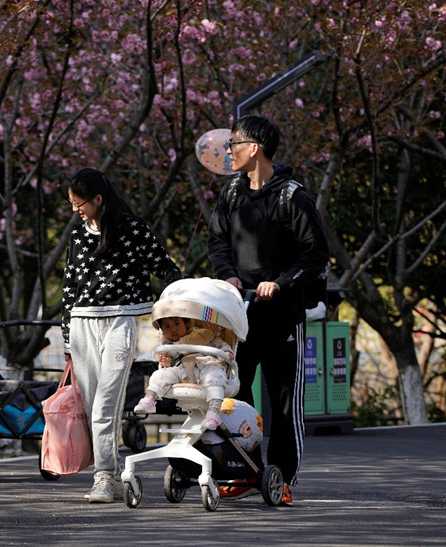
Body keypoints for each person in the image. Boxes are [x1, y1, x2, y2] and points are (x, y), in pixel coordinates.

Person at [207, 114, 330, 507]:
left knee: (283, 402)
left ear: (255, 147)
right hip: (239, 316)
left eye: (234, 144)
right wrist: (227, 276)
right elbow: (217, 242)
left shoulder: (292, 196)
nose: (229, 151)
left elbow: (316, 255)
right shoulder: (230, 194)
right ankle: (244, 470)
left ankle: (281, 476)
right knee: (235, 397)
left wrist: (281, 281)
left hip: (282, 318)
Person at [61, 168, 183, 503]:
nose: (75, 210)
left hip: (120, 323)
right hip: (82, 324)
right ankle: (111, 478)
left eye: (79, 203)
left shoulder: (134, 229)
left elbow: (162, 264)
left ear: (98, 199)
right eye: (71, 203)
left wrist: (185, 288)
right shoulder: (77, 237)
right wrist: (67, 341)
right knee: (91, 409)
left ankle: (102, 478)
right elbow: (68, 290)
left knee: (104, 406)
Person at [133, 316, 234, 429]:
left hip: (206, 366)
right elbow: (169, 366)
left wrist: (227, 352)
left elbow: (221, 344)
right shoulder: (169, 347)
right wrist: (166, 363)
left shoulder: (202, 335)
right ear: (163, 331)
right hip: (182, 372)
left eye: (177, 324)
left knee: (215, 374)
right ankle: (149, 398)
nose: (173, 329)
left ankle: (214, 411)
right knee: (161, 374)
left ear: (186, 323)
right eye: (167, 326)